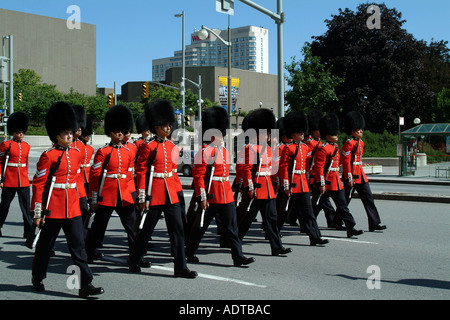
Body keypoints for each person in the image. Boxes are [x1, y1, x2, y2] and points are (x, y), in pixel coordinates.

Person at [31, 101, 103, 297]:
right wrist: (38, 211)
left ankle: (84, 285)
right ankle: (37, 277)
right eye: (65, 133)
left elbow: (78, 179)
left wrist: (83, 201)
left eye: (71, 132)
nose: (70, 136)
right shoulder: (49, 156)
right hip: (53, 208)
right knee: (45, 246)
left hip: (72, 207)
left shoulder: (77, 154)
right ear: (56, 135)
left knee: (78, 248)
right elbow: (38, 184)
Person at [128, 98, 197, 278]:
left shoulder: (171, 146)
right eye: (164, 125)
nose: (168, 128)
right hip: (154, 193)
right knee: (146, 230)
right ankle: (134, 259)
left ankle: (180, 267)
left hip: (171, 193)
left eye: (169, 125)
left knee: (178, 230)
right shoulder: (148, 147)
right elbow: (141, 172)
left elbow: (173, 173)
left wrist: (177, 192)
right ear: (156, 126)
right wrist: (142, 197)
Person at [185, 106, 255, 267]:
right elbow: (199, 177)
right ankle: (188, 252)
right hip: (211, 195)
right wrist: (201, 197)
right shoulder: (204, 152)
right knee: (200, 225)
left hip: (226, 194)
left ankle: (238, 256)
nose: (221, 136)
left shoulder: (223, 151)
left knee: (232, 227)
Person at [84, 105, 138, 262]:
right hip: (106, 195)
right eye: (116, 130)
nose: (120, 133)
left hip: (124, 194)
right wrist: (94, 199)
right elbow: (95, 176)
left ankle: (136, 254)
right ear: (110, 131)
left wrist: (132, 194)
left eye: (122, 129)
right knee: (98, 228)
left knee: (132, 227)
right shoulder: (103, 151)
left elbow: (129, 176)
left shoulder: (129, 151)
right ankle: (88, 252)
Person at [236, 108, 291, 256]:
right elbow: (247, 169)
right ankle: (235, 240)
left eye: (268, 132)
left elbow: (273, 169)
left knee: (271, 219)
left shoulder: (268, 149)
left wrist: (277, 183)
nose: (268, 135)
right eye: (265, 132)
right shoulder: (251, 148)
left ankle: (276, 246)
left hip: (268, 188)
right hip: (256, 189)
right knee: (247, 218)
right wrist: (249, 187)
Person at [279, 111, 328, 246]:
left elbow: (308, 166)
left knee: (309, 213)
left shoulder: (305, 148)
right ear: (292, 133)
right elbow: (283, 168)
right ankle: (273, 231)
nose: (302, 133)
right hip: (293, 184)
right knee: (284, 211)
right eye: (298, 131)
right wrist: (286, 185)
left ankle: (315, 237)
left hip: (303, 184)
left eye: (302, 131)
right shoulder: (288, 149)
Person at [313, 113, 363, 238]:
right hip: (326, 182)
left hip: (336, 182)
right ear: (327, 135)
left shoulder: (335, 147)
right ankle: (307, 225)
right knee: (316, 207)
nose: (336, 136)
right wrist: (321, 182)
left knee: (343, 206)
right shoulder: (323, 149)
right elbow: (319, 167)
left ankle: (350, 227)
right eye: (333, 134)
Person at [341, 111, 387, 232]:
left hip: (360, 174)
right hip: (351, 175)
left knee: (368, 198)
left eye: (361, 129)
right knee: (344, 200)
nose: (361, 131)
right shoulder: (348, 143)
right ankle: (337, 221)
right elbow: (346, 161)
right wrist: (349, 176)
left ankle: (374, 223)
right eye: (358, 129)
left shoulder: (361, 143)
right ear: (352, 130)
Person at [0, 112, 33, 238]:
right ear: (13, 132)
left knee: (26, 207)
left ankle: (28, 231)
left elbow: (25, 163)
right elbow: (1, 162)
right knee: (5, 206)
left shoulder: (26, 146)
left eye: (22, 131)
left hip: (23, 180)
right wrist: (0, 179)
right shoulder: (6, 145)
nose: (21, 134)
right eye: (19, 131)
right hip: (9, 179)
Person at [306, 110, 339, 229]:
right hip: (310, 175)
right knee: (316, 201)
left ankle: (331, 220)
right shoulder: (310, 143)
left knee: (321, 200)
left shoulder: (321, 143)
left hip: (319, 175)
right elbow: (307, 160)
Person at [71, 105, 89, 224]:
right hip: (67, 186)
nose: (80, 128)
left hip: (80, 183)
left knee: (84, 210)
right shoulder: (62, 147)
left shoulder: (82, 146)